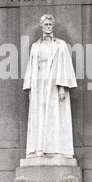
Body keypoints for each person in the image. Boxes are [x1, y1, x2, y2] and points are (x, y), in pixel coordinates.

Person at [23, 14, 77, 157]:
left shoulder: (60, 44)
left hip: (54, 84)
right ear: (41, 26)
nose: (48, 27)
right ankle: (38, 149)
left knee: (55, 117)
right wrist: (29, 87)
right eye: (45, 24)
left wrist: (62, 87)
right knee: (39, 117)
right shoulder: (35, 46)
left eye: (50, 25)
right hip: (38, 84)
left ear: (53, 26)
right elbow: (31, 66)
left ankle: (57, 149)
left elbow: (64, 66)